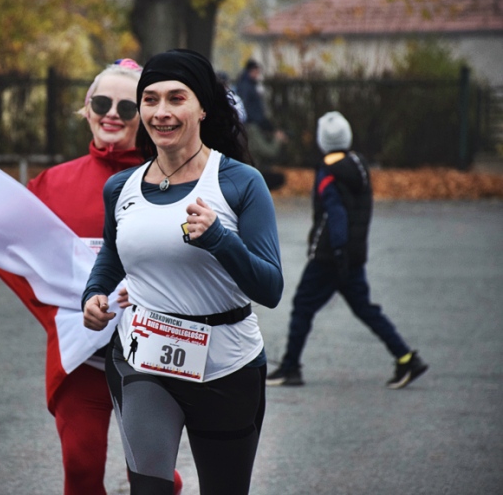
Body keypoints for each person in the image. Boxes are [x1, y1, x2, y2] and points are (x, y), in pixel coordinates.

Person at [83, 49, 283, 495]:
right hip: (144, 358)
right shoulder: (121, 188)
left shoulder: (240, 182)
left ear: (203, 107)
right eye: (150, 100)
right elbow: (113, 257)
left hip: (227, 365)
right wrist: (93, 295)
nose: (161, 112)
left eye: (177, 98)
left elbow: (269, 288)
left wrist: (219, 238)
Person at [27, 59, 183, 495]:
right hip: (82, 356)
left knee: (151, 477)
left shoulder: (173, 181)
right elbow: (12, 254)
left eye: (127, 107)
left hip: (149, 352)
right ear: (87, 109)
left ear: (146, 116)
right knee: (79, 466)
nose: (112, 113)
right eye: (101, 102)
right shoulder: (50, 185)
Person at [266, 111, 429, 389]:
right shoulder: (359, 165)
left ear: (322, 141)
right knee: (365, 308)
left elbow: (336, 213)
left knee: (303, 306)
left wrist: (337, 251)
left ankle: (291, 368)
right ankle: (406, 358)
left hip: (331, 256)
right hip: (353, 255)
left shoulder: (327, 172)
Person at [235, 59, 286, 189]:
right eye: (256, 71)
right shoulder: (247, 86)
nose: (258, 75)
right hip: (253, 123)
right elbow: (268, 152)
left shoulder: (248, 85)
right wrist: (276, 138)